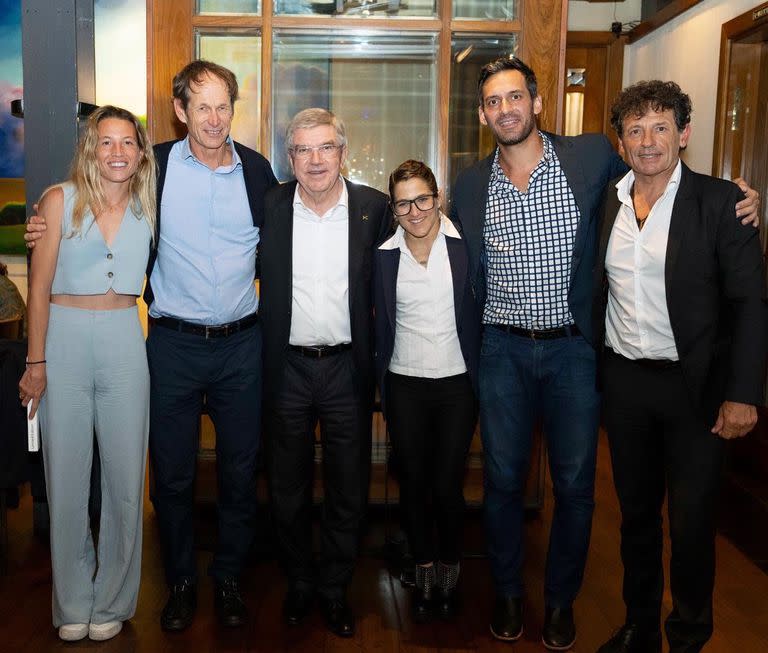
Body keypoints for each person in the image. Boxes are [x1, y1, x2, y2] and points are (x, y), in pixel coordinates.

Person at [450, 57, 761, 651]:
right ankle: (511, 594)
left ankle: (563, 602)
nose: (506, 109)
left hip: (575, 354)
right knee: (503, 480)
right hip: (506, 355)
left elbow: (669, 181)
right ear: (483, 113)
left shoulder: (590, 158)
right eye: (493, 101)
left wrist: (743, 196)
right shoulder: (469, 185)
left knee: (576, 485)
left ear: (538, 103)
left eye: (516, 96)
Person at [25, 60, 278, 632]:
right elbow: (91, 201)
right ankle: (182, 581)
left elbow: (279, 243)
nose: (214, 119)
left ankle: (230, 579)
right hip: (171, 345)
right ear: (181, 111)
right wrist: (45, 220)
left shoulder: (257, 172)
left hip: (241, 346)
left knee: (240, 472)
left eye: (223, 106)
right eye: (202, 107)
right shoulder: (154, 168)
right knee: (171, 476)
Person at [593, 80, 767, 653]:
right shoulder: (606, 203)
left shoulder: (722, 202)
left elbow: (749, 304)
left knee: (692, 524)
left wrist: (744, 393)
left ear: (684, 134)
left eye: (661, 127)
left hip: (696, 391)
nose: (648, 141)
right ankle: (639, 627)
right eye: (635, 129)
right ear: (620, 141)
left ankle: (689, 636)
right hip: (625, 385)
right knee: (636, 519)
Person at [18, 105, 156, 642]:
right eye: (106, 142)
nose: (117, 151)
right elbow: (38, 288)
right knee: (67, 476)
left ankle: (115, 600)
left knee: (125, 479)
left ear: (141, 151)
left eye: (127, 142)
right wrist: (35, 362)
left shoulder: (150, 205)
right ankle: (73, 600)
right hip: (64, 341)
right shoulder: (58, 201)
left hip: (125, 338)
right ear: (90, 148)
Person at [259, 108, 389, 637]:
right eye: (304, 150)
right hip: (286, 367)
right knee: (286, 485)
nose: (315, 160)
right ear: (290, 159)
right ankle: (300, 582)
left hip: (345, 369)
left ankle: (335, 586)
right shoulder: (269, 206)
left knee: (347, 485)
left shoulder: (373, 209)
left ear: (343, 152)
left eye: (326, 148)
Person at [373, 160, 480, 623]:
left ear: (437, 197)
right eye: (403, 203)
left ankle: (450, 571)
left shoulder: (466, 245)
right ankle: (422, 569)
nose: (414, 211)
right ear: (393, 208)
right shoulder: (381, 254)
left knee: (447, 484)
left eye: (422, 199)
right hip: (403, 383)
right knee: (413, 483)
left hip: (458, 383)